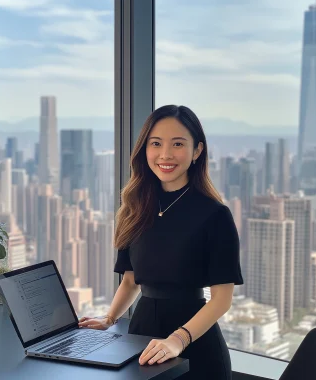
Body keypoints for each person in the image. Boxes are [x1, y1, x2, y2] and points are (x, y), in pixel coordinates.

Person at [79, 105, 244, 379]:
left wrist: (177, 340)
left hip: (196, 348)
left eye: (178, 144)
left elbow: (221, 300)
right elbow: (131, 281)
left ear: (197, 151)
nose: (165, 154)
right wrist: (109, 319)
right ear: (145, 149)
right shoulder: (134, 208)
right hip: (141, 338)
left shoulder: (215, 215)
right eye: (156, 143)